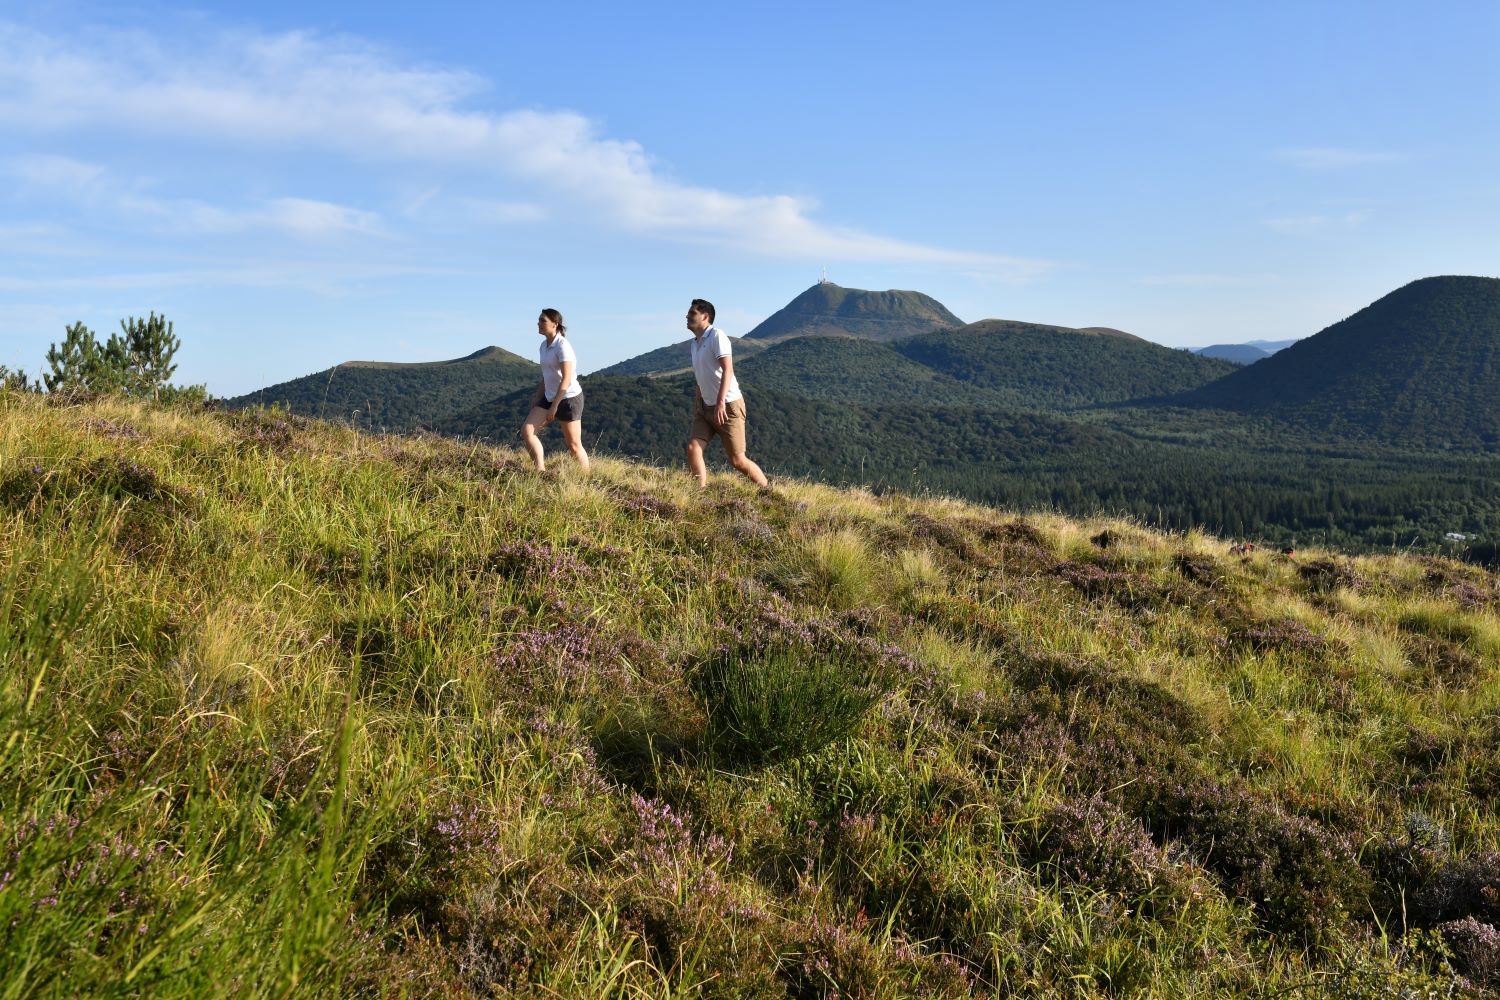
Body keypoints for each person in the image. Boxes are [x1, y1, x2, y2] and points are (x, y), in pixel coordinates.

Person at [684, 298, 768, 488]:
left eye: (692, 313)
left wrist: (720, 402)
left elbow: (728, 369)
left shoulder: (716, 336)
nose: (687, 316)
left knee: (737, 460)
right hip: (705, 407)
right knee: (693, 448)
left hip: (728, 405)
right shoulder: (694, 344)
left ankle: (767, 492)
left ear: (705, 316)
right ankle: (699, 494)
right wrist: (699, 401)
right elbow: (701, 374)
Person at [521, 308, 590, 473]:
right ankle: (540, 471)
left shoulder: (563, 346)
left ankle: (587, 479)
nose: (539, 323)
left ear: (555, 324)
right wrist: (537, 397)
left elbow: (566, 379)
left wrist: (555, 406)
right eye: (539, 320)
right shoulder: (543, 346)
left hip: (568, 398)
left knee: (574, 445)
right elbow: (547, 375)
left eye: (543, 321)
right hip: (549, 396)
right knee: (527, 431)